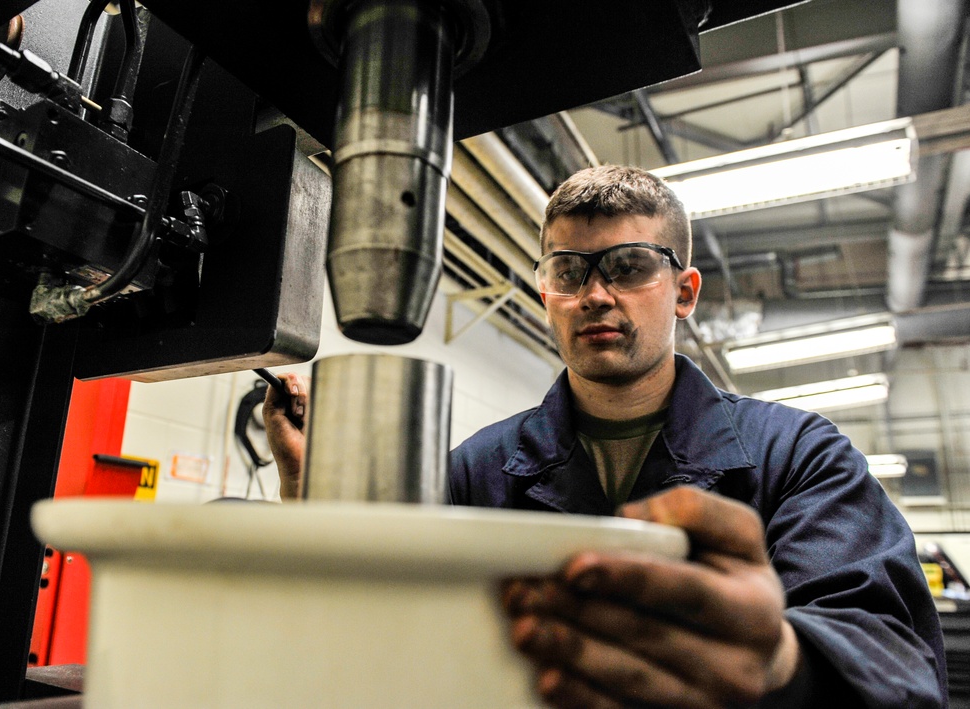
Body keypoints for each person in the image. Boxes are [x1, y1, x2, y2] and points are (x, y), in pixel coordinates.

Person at [264, 165, 947, 708]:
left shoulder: (796, 455)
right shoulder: (476, 469)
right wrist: (307, 488)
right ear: (544, 294)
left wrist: (776, 659)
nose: (594, 294)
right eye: (569, 271)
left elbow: (895, 658)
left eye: (626, 267)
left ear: (683, 291)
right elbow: (372, 625)